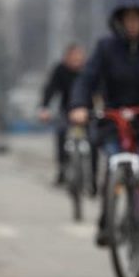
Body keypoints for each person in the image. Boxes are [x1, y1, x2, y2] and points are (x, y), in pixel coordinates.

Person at [68, 0, 139, 245]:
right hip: (113, 121)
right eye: (128, 18)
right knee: (113, 166)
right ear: (119, 21)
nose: (133, 23)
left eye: (138, 18)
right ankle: (107, 224)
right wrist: (79, 105)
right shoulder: (105, 48)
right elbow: (87, 79)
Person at [38, 43, 87, 186]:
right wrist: (44, 108)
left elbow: (100, 88)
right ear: (66, 57)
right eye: (72, 57)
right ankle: (62, 169)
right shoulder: (60, 70)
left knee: (94, 139)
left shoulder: (89, 70)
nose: (75, 60)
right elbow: (50, 89)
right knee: (61, 133)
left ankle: (93, 178)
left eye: (78, 57)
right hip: (66, 110)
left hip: (86, 111)